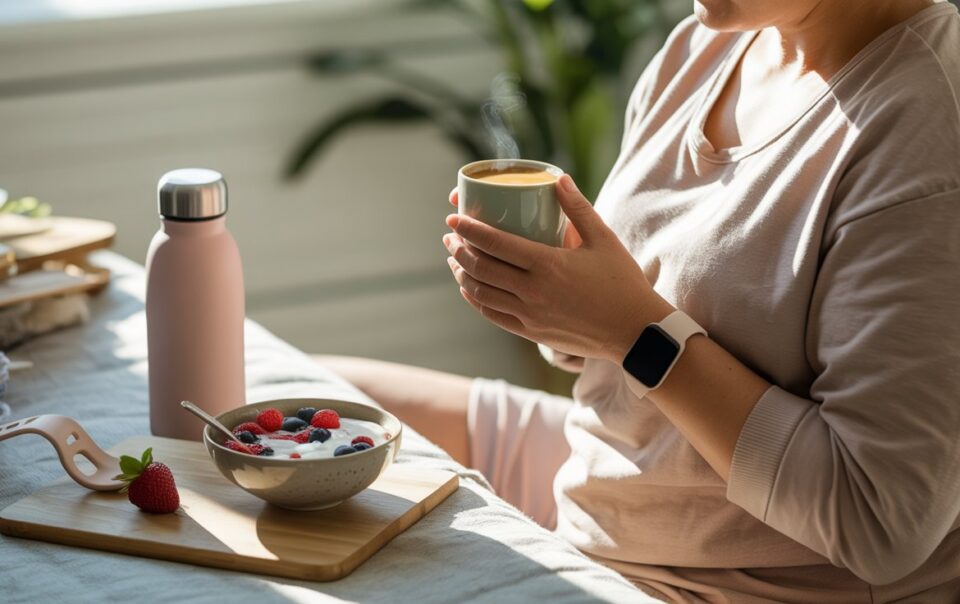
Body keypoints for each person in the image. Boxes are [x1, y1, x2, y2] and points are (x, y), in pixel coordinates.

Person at [316, 0, 960, 600]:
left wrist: (631, 332)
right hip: (610, 472)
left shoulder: (924, 128)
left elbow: (880, 521)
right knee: (287, 395)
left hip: (711, 577)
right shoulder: (703, 48)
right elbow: (632, 325)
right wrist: (555, 296)